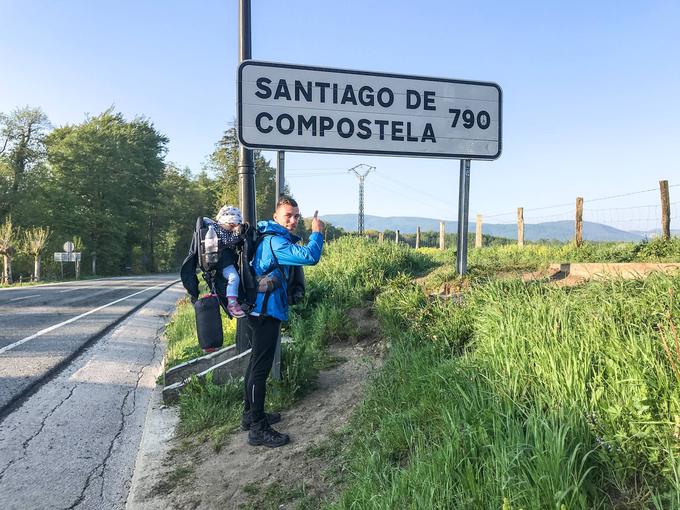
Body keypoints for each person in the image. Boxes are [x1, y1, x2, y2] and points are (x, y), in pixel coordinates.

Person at [242, 195, 325, 448]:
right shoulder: (276, 241)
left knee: (255, 363)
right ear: (276, 216)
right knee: (260, 369)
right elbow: (310, 257)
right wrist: (317, 233)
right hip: (265, 313)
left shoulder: (270, 237)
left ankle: (250, 416)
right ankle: (257, 428)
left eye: (296, 216)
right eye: (288, 215)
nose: (293, 220)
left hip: (258, 311)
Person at [212, 205, 246, 318]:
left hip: (226, 260)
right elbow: (228, 241)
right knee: (234, 277)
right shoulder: (219, 230)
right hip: (223, 262)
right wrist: (238, 234)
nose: (233, 228)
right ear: (224, 221)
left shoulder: (218, 228)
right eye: (231, 225)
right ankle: (232, 304)